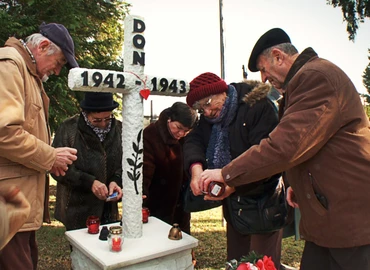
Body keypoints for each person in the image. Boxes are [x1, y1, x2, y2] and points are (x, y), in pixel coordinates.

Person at [200, 28, 370, 270]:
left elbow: (287, 145)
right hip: (329, 219)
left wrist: (226, 173)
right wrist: (295, 183)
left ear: (278, 56)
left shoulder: (315, 77)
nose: (263, 79)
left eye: (263, 69)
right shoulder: (304, 81)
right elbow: (312, 145)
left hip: (349, 220)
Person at [183, 72, 283, 268]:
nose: (208, 112)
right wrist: (196, 169)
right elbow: (194, 139)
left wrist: (232, 183)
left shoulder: (259, 107)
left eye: (208, 103)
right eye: (201, 109)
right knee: (236, 263)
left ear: (222, 91)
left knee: (262, 264)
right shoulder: (210, 118)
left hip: (263, 205)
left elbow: (267, 160)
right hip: (234, 207)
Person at [0, 22, 79, 269]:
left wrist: (49, 160)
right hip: (8, 204)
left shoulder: (27, 72)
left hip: (17, 203)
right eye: (58, 64)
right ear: (43, 46)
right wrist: (50, 156)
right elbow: (5, 131)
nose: (56, 72)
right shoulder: (10, 66)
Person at [51, 92, 123, 231]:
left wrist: (116, 180)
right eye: (96, 120)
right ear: (85, 114)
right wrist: (90, 182)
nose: (103, 124)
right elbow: (58, 169)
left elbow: (124, 163)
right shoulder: (69, 129)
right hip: (76, 209)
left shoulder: (119, 129)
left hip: (107, 210)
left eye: (107, 119)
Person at [143, 102, 197, 234]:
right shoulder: (150, 135)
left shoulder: (186, 138)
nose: (181, 134)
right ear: (169, 119)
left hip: (181, 204)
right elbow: (144, 170)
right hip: (156, 203)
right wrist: (141, 196)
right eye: (178, 128)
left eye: (186, 131)